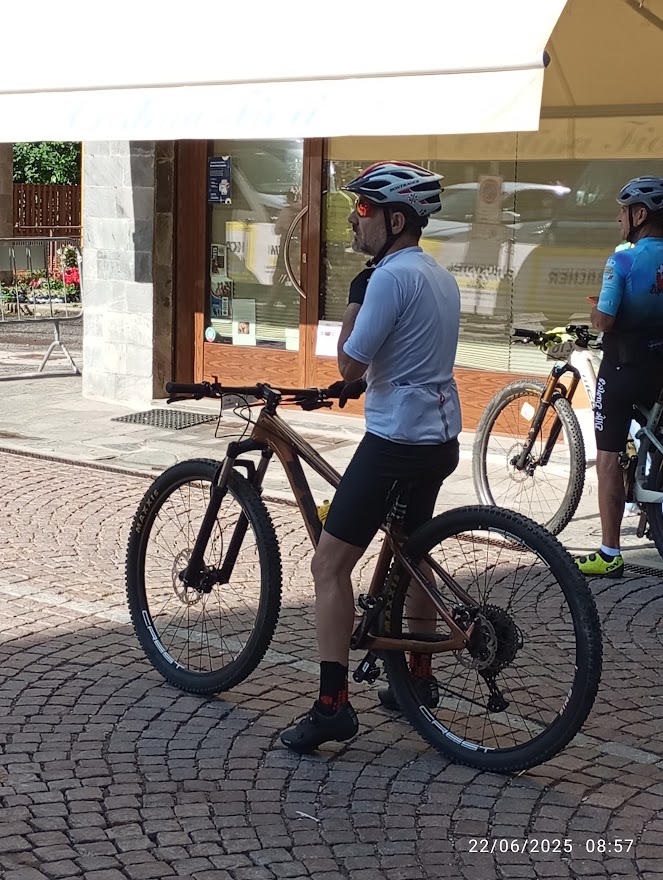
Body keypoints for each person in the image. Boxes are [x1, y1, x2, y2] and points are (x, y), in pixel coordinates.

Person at [280, 161, 462, 752]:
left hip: (395, 441)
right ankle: (417, 678)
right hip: (439, 439)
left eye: (363, 210)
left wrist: (355, 303)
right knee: (413, 553)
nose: (354, 221)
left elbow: (351, 367)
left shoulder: (387, 278)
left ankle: (332, 705)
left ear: (396, 219)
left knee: (329, 566)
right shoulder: (440, 276)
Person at [575, 176, 663, 578]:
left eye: (623, 211)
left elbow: (606, 320)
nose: (618, 218)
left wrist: (595, 312)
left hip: (624, 370)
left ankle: (610, 552)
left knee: (608, 457)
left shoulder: (623, 260)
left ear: (639, 214)